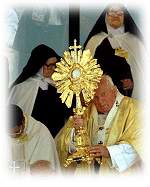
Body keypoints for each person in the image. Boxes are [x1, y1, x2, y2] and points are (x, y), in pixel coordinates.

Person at [55, 75, 142, 175]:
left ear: (114, 90)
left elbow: (140, 143)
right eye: (95, 97)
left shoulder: (135, 109)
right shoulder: (85, 111)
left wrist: (109, 152)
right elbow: (63, 143)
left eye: (103, 94)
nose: (100, 101)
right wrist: (77, 132)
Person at [84, 3, 145, 99]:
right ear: (106, 15)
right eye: (112, 13)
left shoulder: (135, 42)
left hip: (128, 99)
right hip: (100, 98)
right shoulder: (94, 41)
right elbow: (86, 73)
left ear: (125, 16)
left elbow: (143, 74)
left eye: (119, 13)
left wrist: (133, 83)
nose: (115, 16)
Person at [9, 44, 71, 138]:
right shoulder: (23, 87)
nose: (53, 69)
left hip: (56, 138)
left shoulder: (57, 85)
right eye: (49, 65)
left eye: (55, 65)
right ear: (39, 65)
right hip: (34, 138)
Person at [8, 104, 60, 174]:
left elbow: (44, 170)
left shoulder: (40, 133)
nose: (13, 136)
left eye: (17, 132)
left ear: (23, 122)